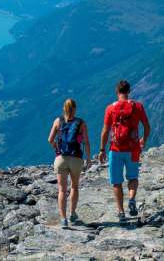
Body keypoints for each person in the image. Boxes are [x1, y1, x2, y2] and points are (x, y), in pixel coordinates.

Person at [98, 80, 150, 223]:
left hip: (115, 149)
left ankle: (121, 212)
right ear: (129, 91)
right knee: (132, 178)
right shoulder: (137, 106)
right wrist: (143, 140)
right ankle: (132, 199)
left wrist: (102, 149)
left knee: (116, 182)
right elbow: (147, 126)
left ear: (117, 92)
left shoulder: (110, 108)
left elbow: (105, 131)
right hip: (133, 149)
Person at [48, 98, 91, 229]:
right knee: (74, 187)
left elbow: (50, 139)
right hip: (76, 158)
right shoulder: (81, 123)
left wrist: (56, 149)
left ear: (64, 109)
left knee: (62, 189)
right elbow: (86, 142)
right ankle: (72, 214)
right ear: (75, 109)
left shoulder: (57, 121)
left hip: (61, 159)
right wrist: (88, 158)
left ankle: (63, 219)